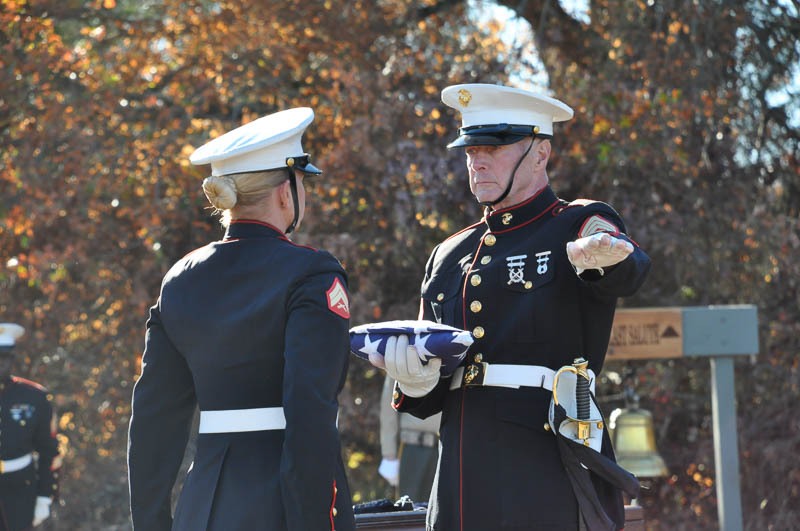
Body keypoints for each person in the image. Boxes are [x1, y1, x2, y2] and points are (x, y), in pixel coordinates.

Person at [375, 84, 652, 530]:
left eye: (493, 148)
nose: (477, 161)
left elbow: (627, 266)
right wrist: (415, 379)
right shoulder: (448, 254)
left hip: (544, 466)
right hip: (459, 479)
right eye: (470, 150)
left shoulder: (574, 223)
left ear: (540, 153)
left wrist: (606, 257)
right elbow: (426, 397)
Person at [127, 108, 356, 531]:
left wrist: (152, 524)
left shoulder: (179, 279)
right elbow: (309, 413)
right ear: (285, 192)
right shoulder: (311, 273)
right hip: (282, 510)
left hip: (203, 509)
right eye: (302, 181)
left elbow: (153, 419)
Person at [0, 323, 60, 531]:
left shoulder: (34, 397)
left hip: (21, 491)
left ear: (12, 359)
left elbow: (49, 450)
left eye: (4, 357)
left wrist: (45, 496)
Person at [378, 374, 440, 502]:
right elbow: (389, 407)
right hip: (412, 447)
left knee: (439, 507)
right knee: (409, 505)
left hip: (443, 446)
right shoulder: (399, 360)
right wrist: (389, 454)